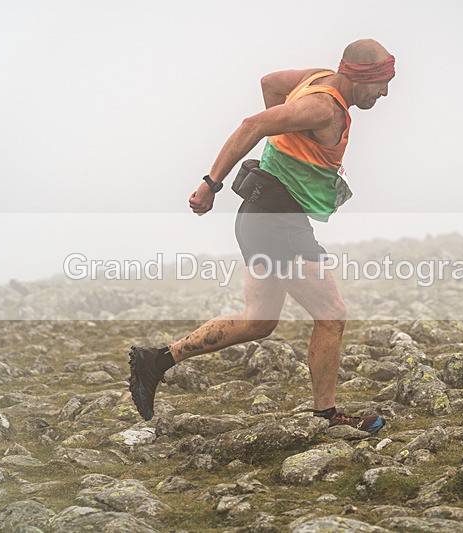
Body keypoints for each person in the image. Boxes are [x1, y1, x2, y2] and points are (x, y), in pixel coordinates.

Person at [129, 39, 395, 435]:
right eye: (382, 83)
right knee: (332, 314)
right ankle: (327, 415)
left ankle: (158, 360)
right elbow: (253, 125)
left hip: (260, 216)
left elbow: (270, 82)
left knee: (259, 322)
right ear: (360, 76)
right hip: (276, 219)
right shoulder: (323, 107)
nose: (385, 92)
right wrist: (209, 185)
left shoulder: (317, 79)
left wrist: (288, 139)